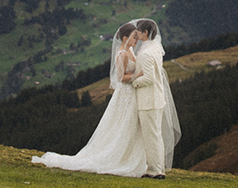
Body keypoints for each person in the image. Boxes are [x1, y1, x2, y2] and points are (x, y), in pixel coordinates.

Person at [31, 21, 149, 176]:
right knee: (122, 124)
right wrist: (137, 75)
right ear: (125, 38)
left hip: (131, 94)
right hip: (125, 94)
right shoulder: (123, 54)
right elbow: (121, 78)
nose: (136, 40)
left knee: (129, 125)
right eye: (134, 37)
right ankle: (120, 158)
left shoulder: (130, 51)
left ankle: (130, 158)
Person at [130, 18, 179, 178]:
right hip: (155, 98)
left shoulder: (146, 53)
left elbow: (149, 78)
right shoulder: (155, 48)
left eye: (139, 31)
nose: (136, 33)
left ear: (145, 33)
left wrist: (134, 83)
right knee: (155, 135)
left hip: (149, 101)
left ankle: (155, 170)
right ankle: (157, 168)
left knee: (151, 136)